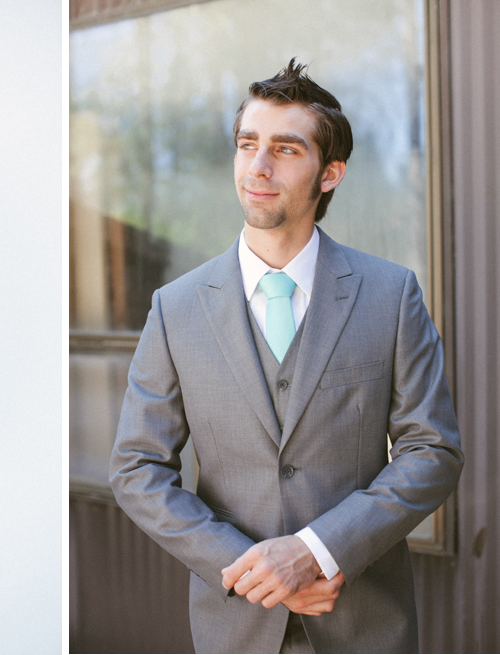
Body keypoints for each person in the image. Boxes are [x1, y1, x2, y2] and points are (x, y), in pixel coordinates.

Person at [109, 59, 464, 654]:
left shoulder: (390, 294)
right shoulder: (176, 308)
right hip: (235, 627)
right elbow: (137, 468)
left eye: (285, 149)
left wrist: (317, 551)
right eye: (248, 144)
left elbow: (433, 450)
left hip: (364, 625)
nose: (259, 166)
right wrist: (252, 567)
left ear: (330, 174)